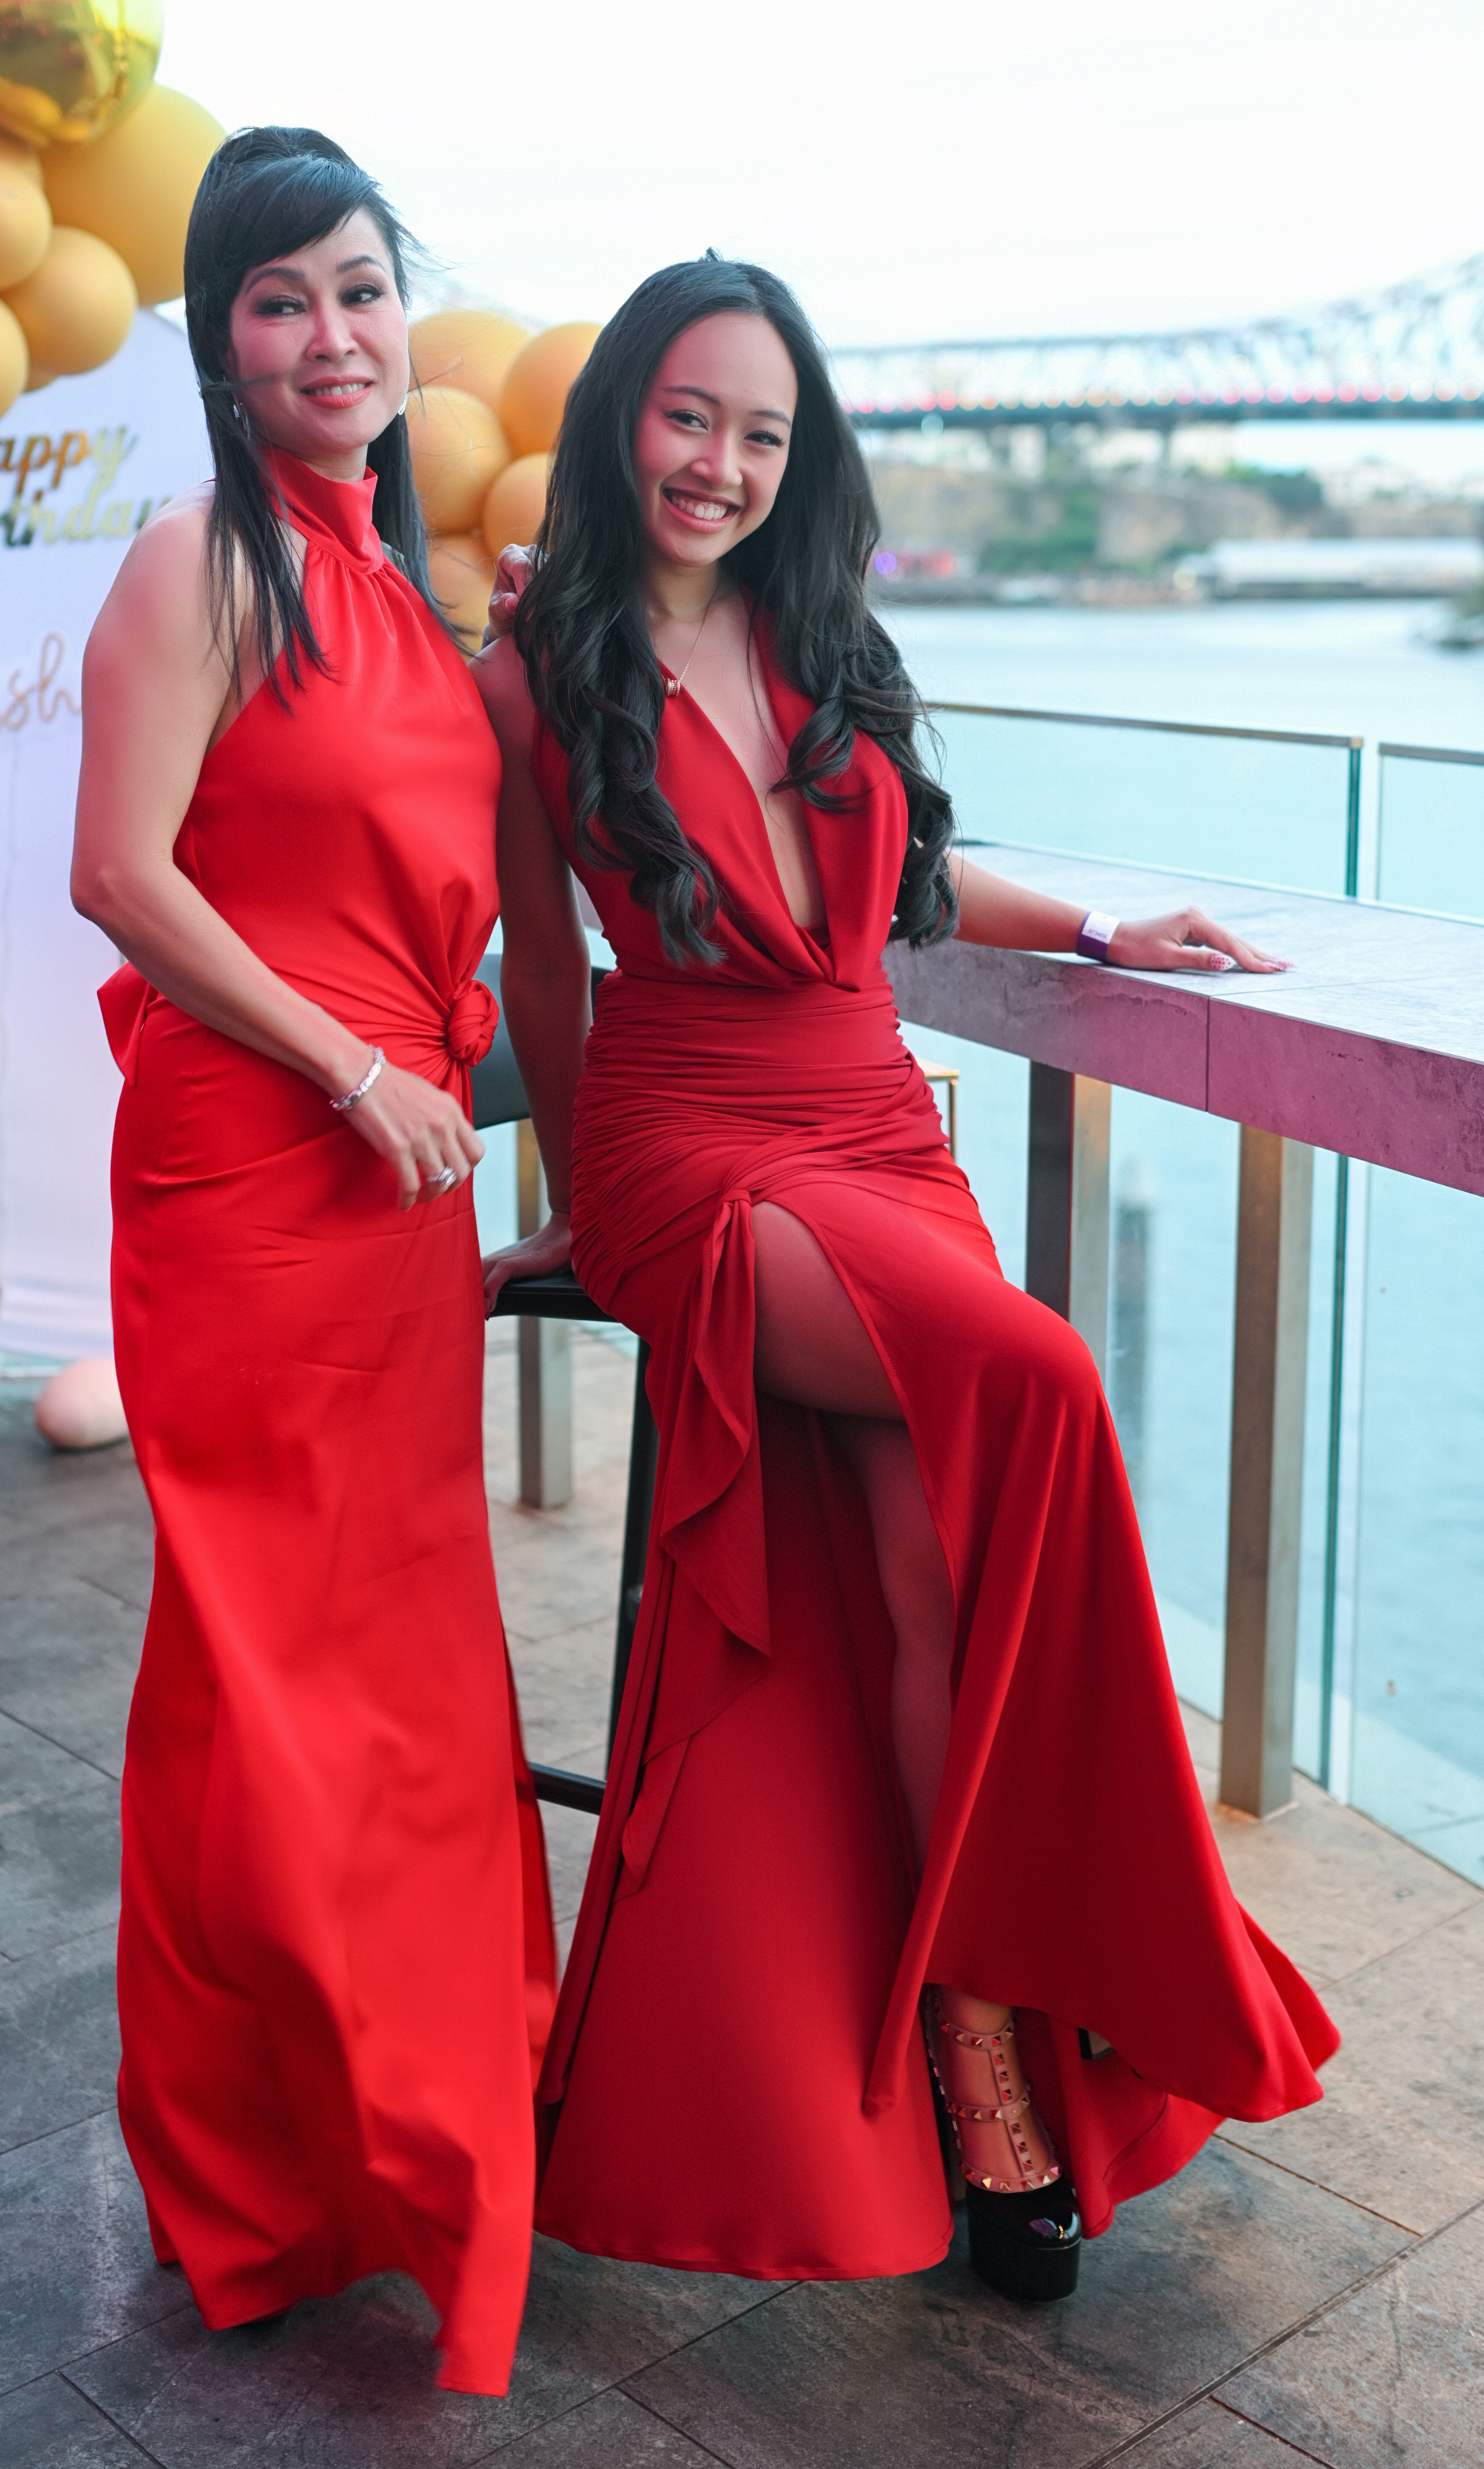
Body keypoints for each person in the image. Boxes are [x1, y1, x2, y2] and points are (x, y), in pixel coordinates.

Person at [475, 254, 1337, 2308]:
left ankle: (975, 2047)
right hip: (694, 1152)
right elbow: (543, 973)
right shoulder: (531, 672)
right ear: (620, 418)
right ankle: (1090, 1954)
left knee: (935, 1574)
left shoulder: (824, 633)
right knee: (1036, 1382)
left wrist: (1108, 933)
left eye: (763, 432)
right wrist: (583, 1200)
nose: (721, 462)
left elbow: (913, 886)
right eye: (689, 416)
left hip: (875, 1127)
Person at [72, 127, 553, 2397]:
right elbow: (123, 874)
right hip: (264, 1179)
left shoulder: (415, 595)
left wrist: (522, 666)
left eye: (362, 288)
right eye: (282, 300)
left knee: (394, 1673)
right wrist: (351, 1068)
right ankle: (279, 2173)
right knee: (272, 1684)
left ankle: (394, 2138)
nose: (335, 335)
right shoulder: (200, 561)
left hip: (403, 1194)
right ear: (223, 341)